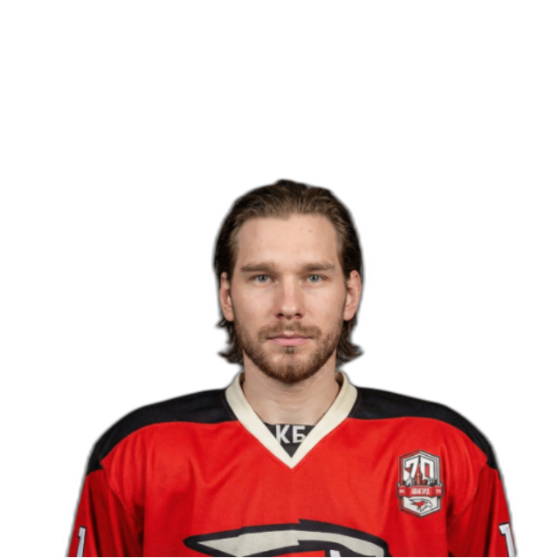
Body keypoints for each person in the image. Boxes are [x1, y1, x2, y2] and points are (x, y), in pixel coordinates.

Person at [67, 178, 517, 558]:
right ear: (226, 296)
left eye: (313, 277)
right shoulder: (135, 452)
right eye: (262, 277)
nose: (288, 306)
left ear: (351, 294)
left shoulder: (449, 448)